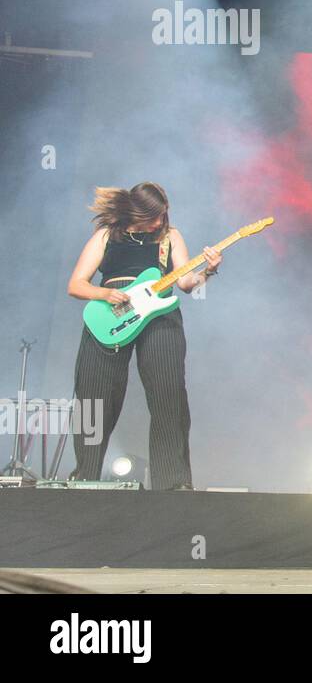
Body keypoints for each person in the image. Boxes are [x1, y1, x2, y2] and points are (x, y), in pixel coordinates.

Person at [65, 183, 222, 490]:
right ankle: (85, 477)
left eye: (165, 215)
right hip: (110, 315)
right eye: (156, 216)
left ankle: (173, 482)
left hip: (158, 314)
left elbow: (187, 283)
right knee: (94, 397)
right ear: (137, 212)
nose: (161, 222)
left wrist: (209, 270)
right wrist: (106, 293)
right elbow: (76, 284)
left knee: (169, 394)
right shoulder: (107, 235)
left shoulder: (169, 237)